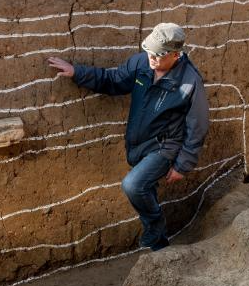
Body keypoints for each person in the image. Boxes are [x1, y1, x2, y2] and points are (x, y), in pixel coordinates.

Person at [48, 23, 210, 251]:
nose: (152, 58)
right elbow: (112, 80)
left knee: (133, 185)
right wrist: (77, 72)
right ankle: (161, 248)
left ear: (175, 55)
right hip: (138, 144)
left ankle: (155, 226)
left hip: (164, 147)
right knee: (145, 188)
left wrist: (183, 165)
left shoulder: (189, 82)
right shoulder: (141, 63)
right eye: (150, 51)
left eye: (158, 55)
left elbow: (198, 126)